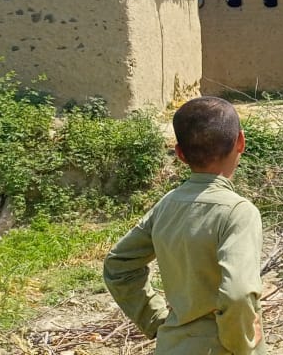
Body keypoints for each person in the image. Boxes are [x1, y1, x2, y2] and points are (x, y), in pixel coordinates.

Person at [103, 96, 266, 355]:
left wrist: (156, 320)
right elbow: (238, 294)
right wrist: (241, 345)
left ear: (179, 153)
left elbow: (118, 265)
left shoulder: (167, 205)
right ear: (241, 142)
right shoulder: (239, 212)